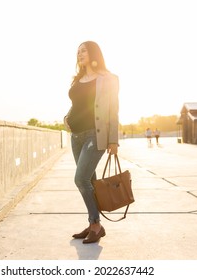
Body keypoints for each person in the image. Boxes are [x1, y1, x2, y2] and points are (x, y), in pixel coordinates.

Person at [64, 41, 119, 244]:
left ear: (94, 53)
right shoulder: (78, 79)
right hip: (76, 136)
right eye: (77, 51)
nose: (80, 54)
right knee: (91, 182)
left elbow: (113, 110)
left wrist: (113, 140)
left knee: (81, 179)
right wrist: (67, 117)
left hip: (95, 136)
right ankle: (92, 223)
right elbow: (77, 105)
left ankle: (96, 225)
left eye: (84, 50)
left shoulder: (108, 79)